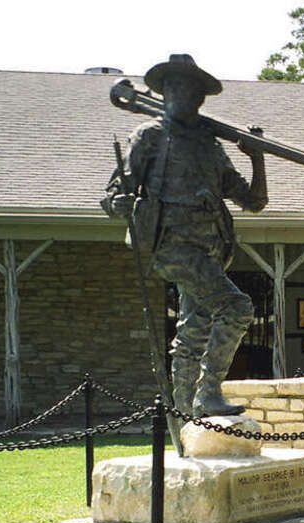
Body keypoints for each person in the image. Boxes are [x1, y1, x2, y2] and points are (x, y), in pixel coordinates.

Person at [102, 54, 268, 417]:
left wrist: (256, 157)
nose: (181, 93)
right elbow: (113, 197)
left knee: (193, 330)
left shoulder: (210, 145)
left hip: (213, 248)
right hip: (173, 245)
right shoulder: (149, 136)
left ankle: (183, 411)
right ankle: (207, 392)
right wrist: (122, 202)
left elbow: (253, 201)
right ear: (163, 93)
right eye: (173, 86)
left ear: (200, 97)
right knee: (237, 307)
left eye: (189, 87)